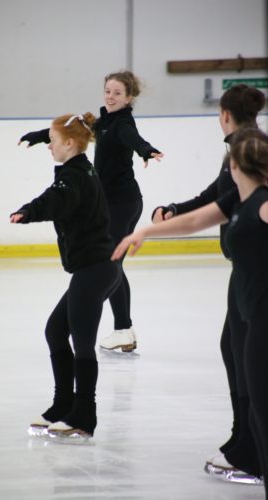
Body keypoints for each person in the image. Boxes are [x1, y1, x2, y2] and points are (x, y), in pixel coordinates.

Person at [111, 127, 268, 498]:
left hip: (264, 319)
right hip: (250, 315)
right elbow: (196, 220)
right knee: (261, 414)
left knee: (265, 412)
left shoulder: (263, 202)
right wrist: (145, 231)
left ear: (234, 164)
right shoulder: (237, 200)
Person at [152, 84, 266, 482]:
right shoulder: (248, 145)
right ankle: (243, 439)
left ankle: (250, 449)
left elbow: (217, 199)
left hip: (254, 275)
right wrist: (177, 210)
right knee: (234, 351)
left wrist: (175, 211)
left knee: (245, 357)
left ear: (224, 114)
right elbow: (217, 198)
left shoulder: (244, 150)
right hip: (246, 271)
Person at [18, 70, 164, 353]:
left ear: (129, 98)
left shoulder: (121, 123)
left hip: (122, 202)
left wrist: (146, 150)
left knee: (112, 261)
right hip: (114, 201)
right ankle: (123, 328)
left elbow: (133, 138)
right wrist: (40, 136)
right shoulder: (104, 121)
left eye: (117, 93)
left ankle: (123, 328)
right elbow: (77, 131)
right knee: (113, 262)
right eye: (108, 91)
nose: (110, 96)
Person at [11, 112, 122, 437]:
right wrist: (40, 135)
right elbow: (60, 136)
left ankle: (83, 416)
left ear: (70, 144)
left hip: (95, 269)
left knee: (82, 343)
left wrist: (28, 211)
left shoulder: (72, 178)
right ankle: (64, 405)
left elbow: (55, 200)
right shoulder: (79, 167)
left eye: (54, 143)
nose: (50, 147)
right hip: (99, 268)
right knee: (55, 331)